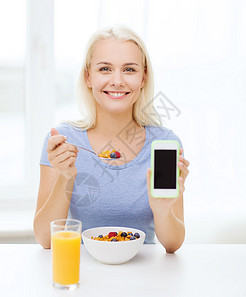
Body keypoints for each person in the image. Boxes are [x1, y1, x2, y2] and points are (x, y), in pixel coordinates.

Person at [33, 26, 189, 252]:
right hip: (83, 272)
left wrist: (162, 209)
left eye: (129, 69)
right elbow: (45, 239)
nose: (117, 81)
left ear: (143, 77)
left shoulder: (164, 144)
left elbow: (172, 245)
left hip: (147, 277)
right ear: (88, 76)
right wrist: (66, 176)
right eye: (105, 69)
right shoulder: (63, 142)